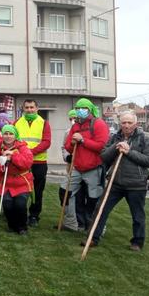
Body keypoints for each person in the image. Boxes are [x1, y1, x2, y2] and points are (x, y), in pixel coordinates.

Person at [84, 111, 149, 251]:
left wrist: (129, 152)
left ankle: (137, 242)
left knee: (137, 215)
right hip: (115, 182)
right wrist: (115, 147)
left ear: (135, 124)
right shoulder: (114, 137)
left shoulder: (144, 139)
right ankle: (93, 237)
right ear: (120, 123)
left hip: (136, 184)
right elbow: (104, 156)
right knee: (101, 209)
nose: (126, 125)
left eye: (129, 122)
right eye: (124, 122)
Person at [62, 98, 110, 232]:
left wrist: (83, 140)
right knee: (64, 192)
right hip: (77, 167)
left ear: (90, 110)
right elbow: (68, 147)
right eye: (77, 108)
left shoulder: (99, 124)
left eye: (83, 108)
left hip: (94, 168)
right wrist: (72, 143)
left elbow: (102, 146)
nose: (80, 111)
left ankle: (96, 228)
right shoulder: (75, 126)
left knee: (93, 200)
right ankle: (71, 223)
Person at [0, 125, 34, 234]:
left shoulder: (23, 147)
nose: (8, 136)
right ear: (2, 135)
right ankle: (12, 225)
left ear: (15, 135)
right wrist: (2, 160)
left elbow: (27, 163)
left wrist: (13, 156)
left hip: (22, 182)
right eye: (6, 134)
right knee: (7, 205)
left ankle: (22, 227)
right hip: (6, 182)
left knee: (20, 205)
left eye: (11, 134)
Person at [14, 99, 51, 227]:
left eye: (32, 107)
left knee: (37, 191)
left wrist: (30, 152)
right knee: (18, 188)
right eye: (27, 107)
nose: (29, 110)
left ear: (37, 108)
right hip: (21, 162)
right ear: (23, 109)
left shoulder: (44, 123)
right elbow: (13, 141)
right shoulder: (17, 123)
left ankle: (34, 215)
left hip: (38, 162)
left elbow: (46, 142)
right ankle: (18, 212)